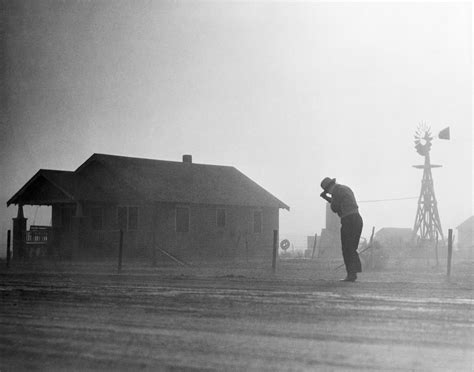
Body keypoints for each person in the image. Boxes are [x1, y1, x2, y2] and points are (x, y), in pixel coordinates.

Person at [320, 177, 363, 282]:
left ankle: (351, 274)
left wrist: (326, 198)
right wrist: (329, 198)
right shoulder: (345, 188)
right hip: (357, 218)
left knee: (347, 248)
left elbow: (335, 208)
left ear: (329, 188)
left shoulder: (336, 192)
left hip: (348, 220)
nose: (329, 193)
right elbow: (338, 204)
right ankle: (354, 272)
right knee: (352, 247)